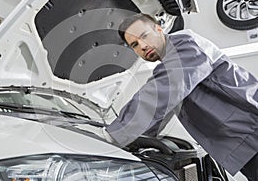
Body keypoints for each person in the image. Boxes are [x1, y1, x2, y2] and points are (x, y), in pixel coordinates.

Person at [102, 13, 258, 180]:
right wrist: (135, 142)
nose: (142, 45)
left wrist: (112, 136)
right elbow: (161, 113)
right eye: (134, 44)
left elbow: (160, 94)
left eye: (144, 36)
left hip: (250, 132)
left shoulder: (186, 44)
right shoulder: (169, 64)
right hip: (241, 142)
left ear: (159, 29)